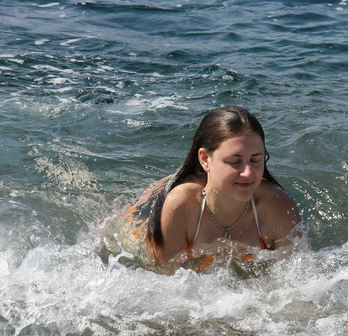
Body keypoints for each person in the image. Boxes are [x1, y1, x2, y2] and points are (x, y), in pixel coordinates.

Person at [113, 106, 304, 271]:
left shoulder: (278, 206)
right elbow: (164, 278)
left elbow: (296, 283)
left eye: (256, 160)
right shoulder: (181, 205)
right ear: (205, 159)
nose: (248, 173)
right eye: (234, 161)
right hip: (138, 225)